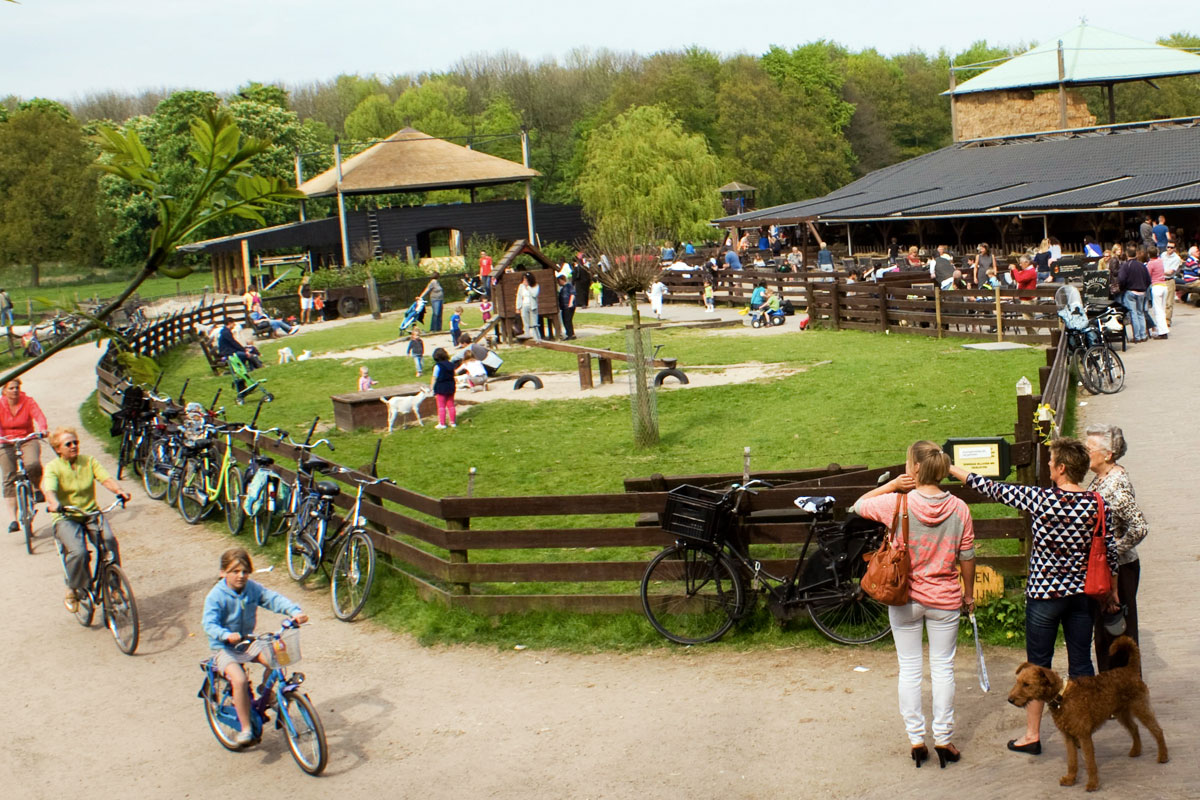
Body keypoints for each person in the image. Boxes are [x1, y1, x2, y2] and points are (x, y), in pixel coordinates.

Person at [948, 438, 1117, 756]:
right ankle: (1083, 728)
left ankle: (1032, 735)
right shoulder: (1097, 502)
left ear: (1062, 468)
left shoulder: (1041, 499)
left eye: (1052, 462)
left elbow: (990, 488)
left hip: (1044, 595)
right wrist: (1113, 592)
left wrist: (950, 467)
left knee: (1038, 665)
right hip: (1082, 595)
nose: (1049, 466)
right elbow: (1109, 552)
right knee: (1081, 661)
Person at [854, 441, 975, 769]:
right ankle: (944, 739)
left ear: (915, 469)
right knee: (943, 669)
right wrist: (969, 594)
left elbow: (858, 506)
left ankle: (916, 739)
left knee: (909, 668)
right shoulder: (960, 509)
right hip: (945, 600)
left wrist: (892, 484)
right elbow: (966, 556)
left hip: (904, 597)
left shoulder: (896, 503)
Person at [202, 547, 307, 746]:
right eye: (234, 571)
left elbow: (272, 598)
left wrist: (294, 611)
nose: (241, 576)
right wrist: (225, 634)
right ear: (223, 572)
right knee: (239, 680)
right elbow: (209, 624)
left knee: (278, 657)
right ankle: (246, 728)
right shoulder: (215, 596)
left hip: (247, 641)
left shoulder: (252, 588)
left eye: (245, 572)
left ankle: (265, 691)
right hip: (224, 648)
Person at [42, 427, 131, 612]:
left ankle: (115, 588)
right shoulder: (53, 468)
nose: (74, 446)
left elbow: (105, 478)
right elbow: (49, 489)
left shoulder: (88, 461)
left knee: (109, 541)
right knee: (78, 552)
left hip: (90, 513)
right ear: (58, 448)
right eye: (69, 444)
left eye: (76, 443)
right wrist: (54, 503)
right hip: (66, 516)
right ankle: (73, 588)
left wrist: (119, 491)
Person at [1084, 424, 1147, 671]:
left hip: (1121, 571)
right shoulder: (1102, 478)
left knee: (1118, 633)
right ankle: (1111, 693)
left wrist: (1112, 551)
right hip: (1108, 569)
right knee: (1105, 633)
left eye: (1089, 449)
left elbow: (1140, 526)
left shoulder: (1117, 485)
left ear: (1108, 454)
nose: (1085, 452)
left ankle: (1126, 694)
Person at [1, 378, 48, 532]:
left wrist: (42, 429)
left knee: (33, 464)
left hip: (27, 438)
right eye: (11, 388)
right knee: (9, 477)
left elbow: (39, 416)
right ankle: (13, 520)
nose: (15, 391)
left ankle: (35, 487)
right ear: (4, 391)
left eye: (17, 388)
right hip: (6, 442)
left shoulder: (27, 401)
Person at [1118, 248, 1151, 343]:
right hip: (1142, 292)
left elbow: (1121, 279)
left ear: (1127, 255)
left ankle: (1137, 336)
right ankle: (1143, 335)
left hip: (1130, 291)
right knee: (1140, 313)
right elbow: (1148, 279)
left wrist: (1122, 288)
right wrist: (1144, 287)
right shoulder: (1142, 265)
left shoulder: (1126, 265)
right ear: (1136, 255)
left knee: (1133, 314)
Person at [1144, 246, 1170, 339]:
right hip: (1164, 285)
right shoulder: (1160, 260)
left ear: (1149, 254)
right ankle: (1164, 329)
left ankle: (1162, 332)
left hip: (1156, 286)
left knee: (1158, 310)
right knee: (1162, 310)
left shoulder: (1151, 263)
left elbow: (1148, 275)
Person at [429, 347, 456, 429]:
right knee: (451, 405)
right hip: (450, 386)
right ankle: (453, 422)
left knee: (441, 406)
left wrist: (431, 387)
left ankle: (442, 423)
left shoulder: (437, 366)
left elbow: (434, 378)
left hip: (441, 387)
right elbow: (453, 374)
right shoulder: (451, 364)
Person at [516, 271, 541, 341]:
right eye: (523, 279)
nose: (524, 281)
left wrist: (528, 287)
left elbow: (534, 294)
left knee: (534, 323)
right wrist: (518, 307)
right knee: (525, 322)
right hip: (524, 305)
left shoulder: (535, 285)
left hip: (532, 306)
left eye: (526, 280)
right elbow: (519, 296)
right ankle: (527, 337)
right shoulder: (521, 286)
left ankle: (537, 338)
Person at [557, 275, 577, 340]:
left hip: (568, 306)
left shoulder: (568, 286)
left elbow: (572, 294)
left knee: (567, 320)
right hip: (564, 307)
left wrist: (570, 303)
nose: (558, 283)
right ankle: (570, 334)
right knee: (566, 320)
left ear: (562, 280)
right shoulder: (562, 288)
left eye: (559, 281)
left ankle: (571, 334)